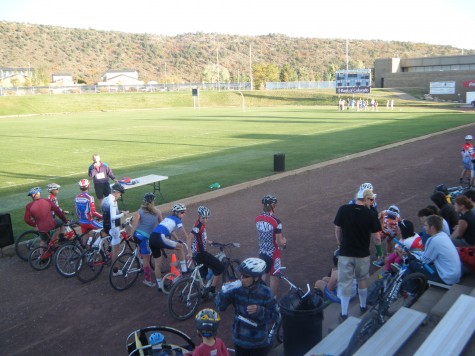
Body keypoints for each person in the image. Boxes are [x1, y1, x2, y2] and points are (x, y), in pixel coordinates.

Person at [334, 188, 382, 321]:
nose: (372, 202)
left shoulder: (343, 209)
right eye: (371, 199)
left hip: (345, 252)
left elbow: (338, 229)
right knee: (362, 280)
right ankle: (362, 306)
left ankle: (344, 314)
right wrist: (379, 252)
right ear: (365, 199)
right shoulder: (371, 214)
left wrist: (339, 244)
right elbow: (377, 237)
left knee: (345, 283)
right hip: (362, 254)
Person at [215, 258, 280, 356]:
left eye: (246, 276)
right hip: (239, 341)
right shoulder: (236, 289)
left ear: (256, 278)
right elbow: (220, 307)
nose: (242, 278)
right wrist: (224, 292)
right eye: (241, 275)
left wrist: (260, 311)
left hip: (259, 343)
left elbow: (276, 317)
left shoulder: (266, 293)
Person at [409, 215, 461, 285]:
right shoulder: (443, 235)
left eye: (426, 225)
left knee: (412, 264)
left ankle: (411, 290)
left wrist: (412, 255)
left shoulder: (434, 240)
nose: (424, 228)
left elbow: (424, 261)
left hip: (447, 278)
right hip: (454, 275)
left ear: (432, 227)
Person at [149, 202, 189, 289]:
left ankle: (160, 286)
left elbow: (172, 230)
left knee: (157, 264)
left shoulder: (168, 218)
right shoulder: (178, 220)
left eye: (184, 212)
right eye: (182, 212)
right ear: (176, 213)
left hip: (152, 238)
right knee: (180, 247)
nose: (184, 214)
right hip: (160, 237)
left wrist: (177, 239)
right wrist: (188, 240)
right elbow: (183, 233)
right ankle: (184, 270)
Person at [186, 206, 224, 296]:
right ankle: (212, 290)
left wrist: (208, 241)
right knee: (220, 267)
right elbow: (189, 238)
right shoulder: (198, 226)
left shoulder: (198, 224)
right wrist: (189, 252)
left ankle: (201, 292)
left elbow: (199, 237)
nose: (205, 220)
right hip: (201, 253)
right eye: (203, 218)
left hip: (197, 254)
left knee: (203, 274)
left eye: (207, 218)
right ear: (199, 216)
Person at [129, 193, 163, 287]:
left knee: (141, 248)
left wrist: (131, 234)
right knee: (146, 260)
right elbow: (162, 224)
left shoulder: (140, 211)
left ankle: (141, 261)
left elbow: (135, 224)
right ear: (153, 201)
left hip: (137, 235)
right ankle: (147, 279)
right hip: (145, 237)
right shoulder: (158, 212)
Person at [255, 195, 287, 296]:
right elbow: (279, 242)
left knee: (263, 272)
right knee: (274, 276)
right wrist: (284, 241)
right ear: (272, 206)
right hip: (274, 253)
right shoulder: (276, 222)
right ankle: (272, 300)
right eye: (275, 205)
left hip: (262, 250)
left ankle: (260, 295)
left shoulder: (257, 218)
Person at [102, 183, 129, 275]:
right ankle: (115, 271)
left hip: (106, 226)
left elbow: (109, 212)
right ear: (116, 192)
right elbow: (113, 217)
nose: (120, 196)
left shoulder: (105, 199)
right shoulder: (113, 201)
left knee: (112, 244)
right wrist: (123, 214)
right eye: (120, 193)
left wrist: (118, 211)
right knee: (115, 251)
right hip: (113, 228)